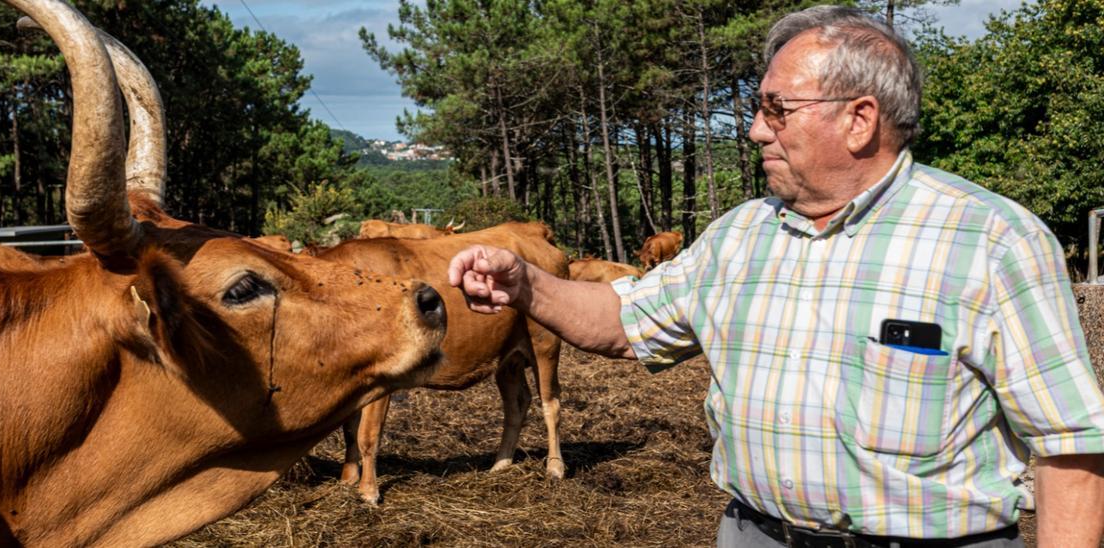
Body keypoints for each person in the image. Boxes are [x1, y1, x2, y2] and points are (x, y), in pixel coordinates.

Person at [447, 5, 1104, 547]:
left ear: (859, 119)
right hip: (755, 534)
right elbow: (625, 321)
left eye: (776, 109)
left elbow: (1071, 445)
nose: (757, 130)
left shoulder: (991, 241)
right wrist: (527, 284)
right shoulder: (740, 236)